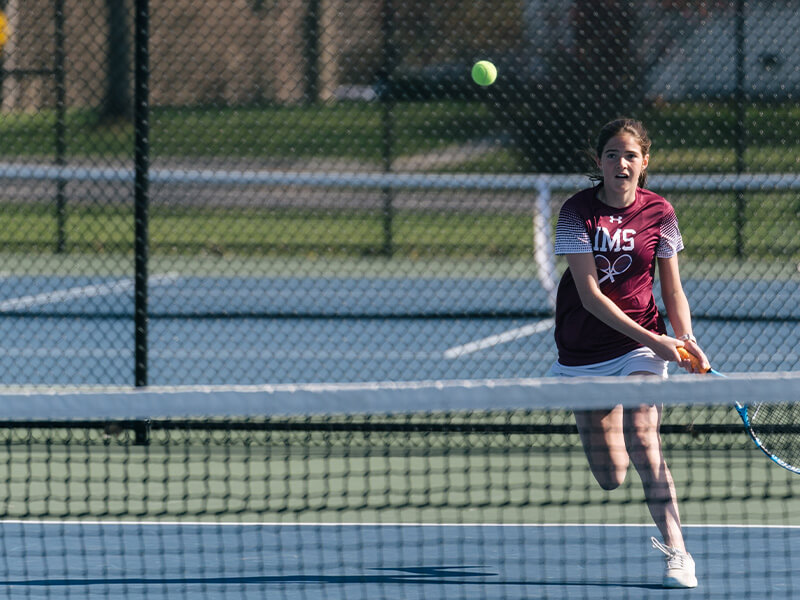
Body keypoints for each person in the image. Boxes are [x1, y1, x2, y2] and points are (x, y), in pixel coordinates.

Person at [549, 118, 708, 589]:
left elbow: (672, 288)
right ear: (598, 162)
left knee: (644, 436)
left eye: (631, 155)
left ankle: (678, 550)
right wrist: (655, 340)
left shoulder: (661, 211)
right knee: (612, 476)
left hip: (642, 346)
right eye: (613, 155)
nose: (622, 163)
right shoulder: (576, 211)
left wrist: (685, 336)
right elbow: (590, 295)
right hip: (584, 348)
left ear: (644, 163)